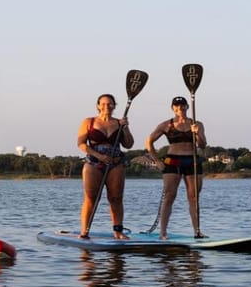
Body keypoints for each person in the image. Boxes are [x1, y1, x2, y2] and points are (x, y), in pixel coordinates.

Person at [145, 96, 208, 239]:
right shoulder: (166, 125)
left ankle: (197, 231)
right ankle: (163, 232)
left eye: (182, 105)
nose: (180, 108)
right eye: (177, 106)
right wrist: (157, 161)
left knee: (194, 198)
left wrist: (197, 133)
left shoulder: (197, 123)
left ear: (187, 107)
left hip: (192, 161)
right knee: (169, 196)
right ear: (173, 108)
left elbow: (203, 145)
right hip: (173, 161)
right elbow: (149, 141)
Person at [78, 94, 134, 240]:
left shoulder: (119, 123)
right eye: (103, 104)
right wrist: (99, 156)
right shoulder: (88, 122)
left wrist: (125, 128)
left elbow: (128, 144)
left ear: (114, 106)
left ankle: (118, 231)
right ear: (98, 105)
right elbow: (81, 144)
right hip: (94, 162)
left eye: (110, 104)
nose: (106, 107)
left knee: (115, 198)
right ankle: (84, 231)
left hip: (115, 163)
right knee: (91, 197)